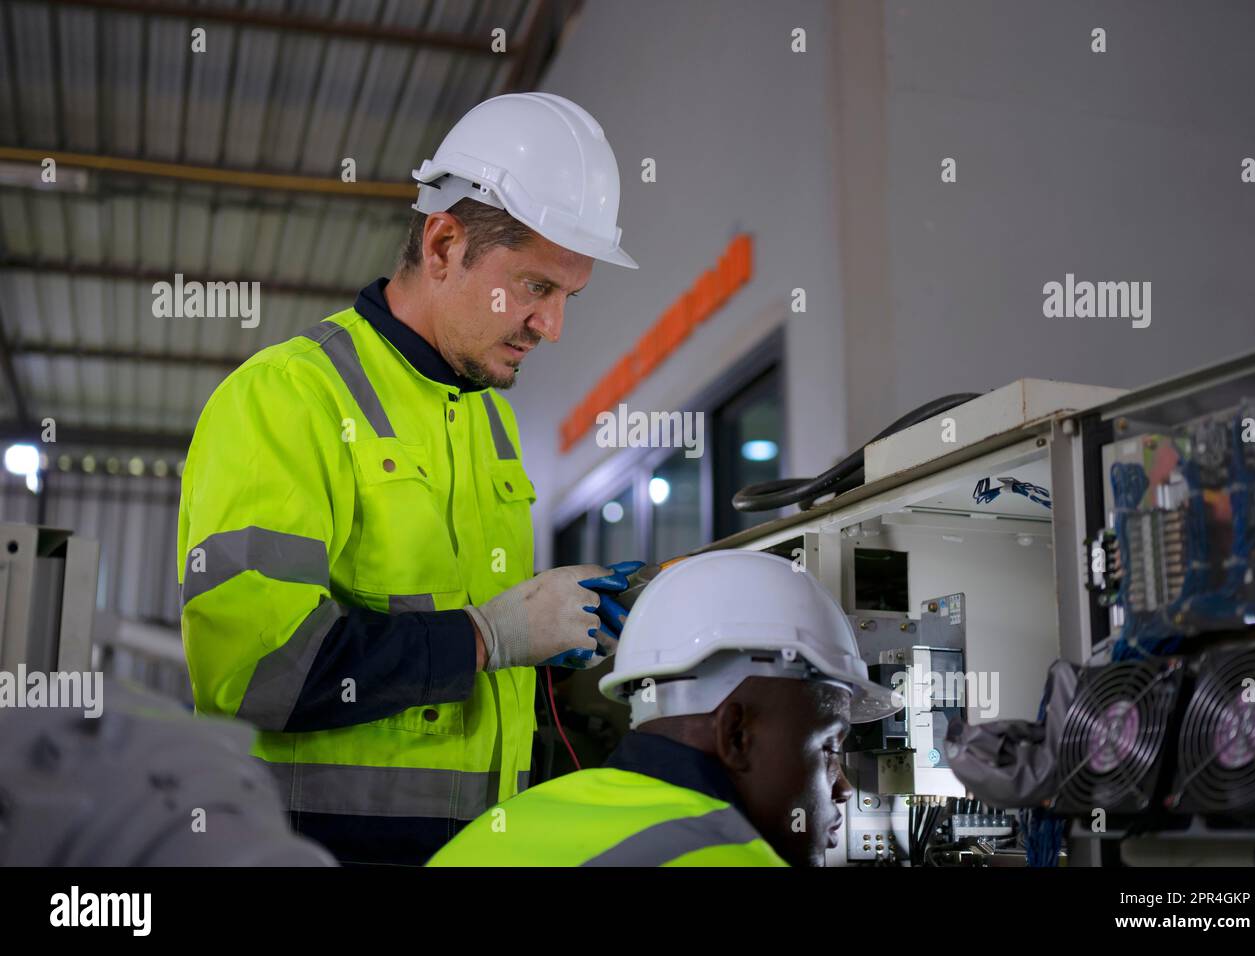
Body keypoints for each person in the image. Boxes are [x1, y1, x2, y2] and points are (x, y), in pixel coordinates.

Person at [177, 92, 637, 865]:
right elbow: (255, 669)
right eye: (534, 287)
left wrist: (554, 639)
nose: (553, 326)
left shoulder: (489, 421)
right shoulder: (286, 396)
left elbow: (463, 668)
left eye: (569, 298)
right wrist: (489, 639)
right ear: (444, 243)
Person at [429, 550, 899, 867]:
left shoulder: (515, 822)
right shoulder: (722, 857)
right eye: (829, 747)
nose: (843, 787)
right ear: (737, 734)